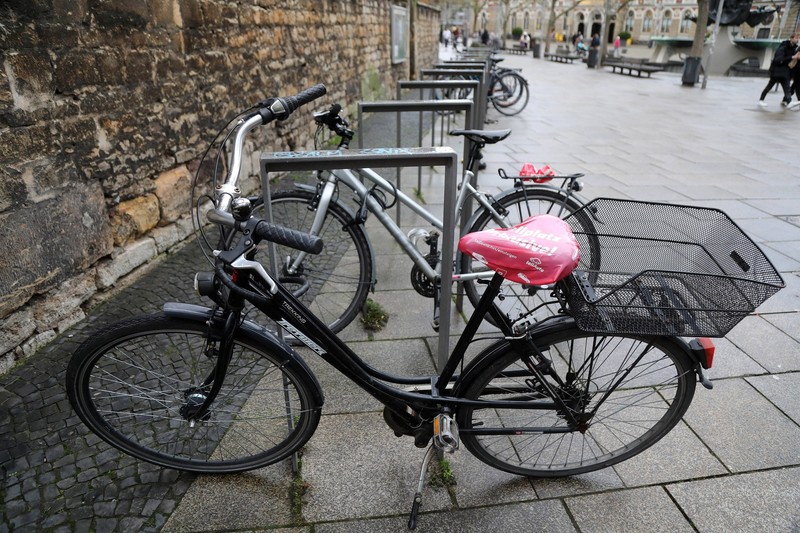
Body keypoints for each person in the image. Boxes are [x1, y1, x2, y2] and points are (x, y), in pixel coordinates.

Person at [758, 33, 800, 107]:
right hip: (777, 71)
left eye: (798, 38)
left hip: (785, 72)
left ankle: (789, 102)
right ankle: (761, 100)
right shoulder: (783, 47)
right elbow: (778, 60)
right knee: (769, 86)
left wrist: (795, 58)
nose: (798, 40)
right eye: (796, 38)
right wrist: (792, 57)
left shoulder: (795, 48)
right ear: (791, 38)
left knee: (787, 88)